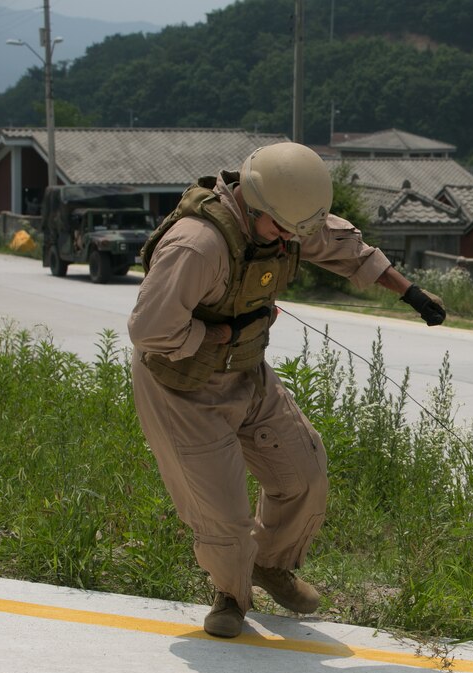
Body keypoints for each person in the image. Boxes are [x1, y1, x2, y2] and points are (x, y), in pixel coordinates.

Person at [128, 142, 446, 638]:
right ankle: (231, 595)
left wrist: (409, 292)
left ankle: (269, 564)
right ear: (252, 205)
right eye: (281, 231)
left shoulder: (284, 218)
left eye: (297, 234)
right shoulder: (198, 245)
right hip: (182, 386)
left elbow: (345, 248)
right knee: (224, 515)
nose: (290, 243)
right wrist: (221, 335)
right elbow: (150, 331)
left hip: (246, 371)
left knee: (303, 473)